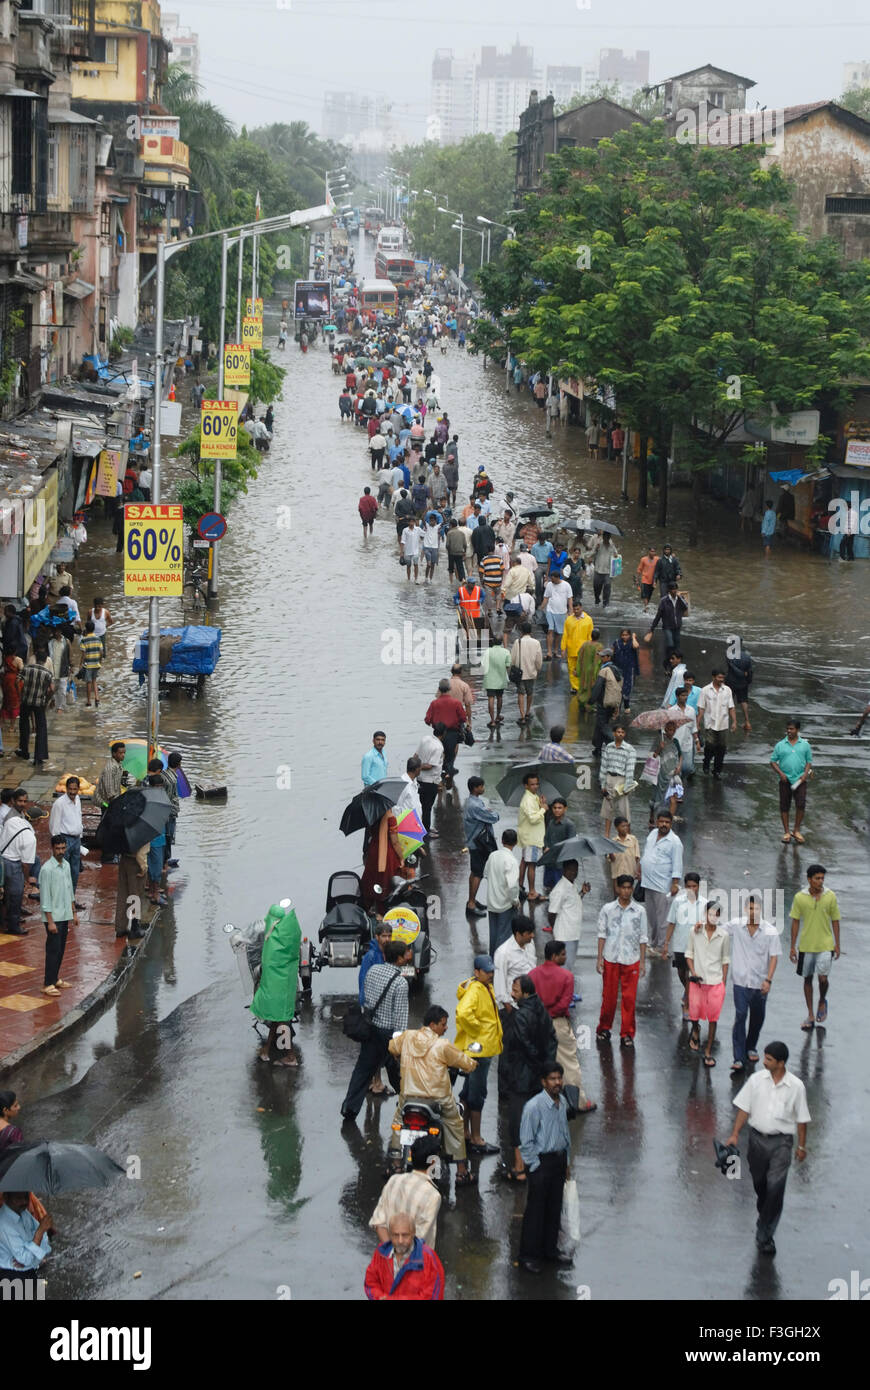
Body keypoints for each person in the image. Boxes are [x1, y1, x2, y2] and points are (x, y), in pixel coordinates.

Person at [722, 1041, 810, 1257]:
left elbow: (802, 1120)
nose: (764, 1061)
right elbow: (744, 1109)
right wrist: (734, 1134)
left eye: (769, 1059)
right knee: (761, 1183)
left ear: (781, 1063)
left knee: (775, 1186)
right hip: (756, 1141)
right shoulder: (756, 1081)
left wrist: (801, 1146)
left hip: (782, 1143)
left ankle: (766, 1235)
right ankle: (766, 1213)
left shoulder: (796, 1087)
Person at [388, 1006, 478, 1186]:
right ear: (433, 1025)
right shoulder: (442, 1045)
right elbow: (465, 1062)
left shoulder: (407, 1037)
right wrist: (472, 1064)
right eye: (443, 1024)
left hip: (409, 1097)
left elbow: (391, 1047)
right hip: (438, 1099)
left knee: (398, 1122)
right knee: (455, 1124)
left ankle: (396, 1165)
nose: (446, 1028)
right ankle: (461, 1172)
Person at [341, 939, 409, 1121]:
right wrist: (399, 1045)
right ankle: (408, 1105)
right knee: (398, 1072)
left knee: (362, 1070)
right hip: (388, 1035)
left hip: (371, 1029)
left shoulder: (373, 971)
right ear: (400, 959)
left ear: (385, 956)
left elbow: (366, 997)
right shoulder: (400, 983)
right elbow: (401, 1017)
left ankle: (349, 1108)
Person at [517, 1063, 573, 1273]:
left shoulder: (563, 1102)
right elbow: (526, 1140)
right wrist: (535, 1166)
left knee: (554, 1208)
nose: (557, 1082)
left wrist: (566, 1163)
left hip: (558, 1162)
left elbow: (565, 1133)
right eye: (552, 1078)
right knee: (536, 1211)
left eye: (559, 1078)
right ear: (543, 1082)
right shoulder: (533, 1107)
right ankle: (528, 1256)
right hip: (541, 1163)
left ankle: (550, 1251)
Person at [502, 976, 558, 1181]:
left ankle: (520, 1168)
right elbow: (552, 1040)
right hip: (537, 1077)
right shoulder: (542, 1010)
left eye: (515, 990)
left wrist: (535, 1064)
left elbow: (523, 1045)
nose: (511, 994)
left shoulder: (520, 1016)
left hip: (521, 1077)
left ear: (525, 992)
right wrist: (546, 1066)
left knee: (517, 1121)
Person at [530, 940, 596, 1110]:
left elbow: (530, 1002)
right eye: (563, 954)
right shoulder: (566, 976)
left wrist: (541, 1015)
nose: (565, 957)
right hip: (558, 1024)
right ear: (554, 956)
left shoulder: (532, 975)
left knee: (539, 1061)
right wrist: (549, 1014)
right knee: (569, 1062)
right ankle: (579, 1102)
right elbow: (564, 1004)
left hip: (536, 1025)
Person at [724, 895, 781, 1075]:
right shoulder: (736, 925)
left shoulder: (770, 931)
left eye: (756, 909)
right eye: (749, 908)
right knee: (740, 1016)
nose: (752, 912)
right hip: (740, 981)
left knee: (757, 1017)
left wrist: (769, 979)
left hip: (760, 982)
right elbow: (717, 930)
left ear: (760, 910)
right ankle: (738, 1057)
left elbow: (774, 957)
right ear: (744, 909)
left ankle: (751, 1046)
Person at [455, 954, 503, 1154]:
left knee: (468, 1092)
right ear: (477, 972)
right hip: (479, 1051)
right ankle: (476, 1138)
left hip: (481, 1048)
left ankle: (466, 1134)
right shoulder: (475, 990)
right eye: (487, 971)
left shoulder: (484, 986)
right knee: (477, 1094)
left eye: (492, 971)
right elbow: (463, 1013)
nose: (491, 974)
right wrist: (478, 1032)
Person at [596, 876, 648, 1046]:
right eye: (623, 888)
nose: (626, 891)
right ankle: (604, 1028)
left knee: (629, 998)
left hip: (631, 958)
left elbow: (643, 937)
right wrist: (599, 958)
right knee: (609, 996)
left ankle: (627, 1033)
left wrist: (642, 962)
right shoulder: (608, 909)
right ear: (617, 888)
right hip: (611, 957)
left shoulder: (639, 911)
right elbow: (602, 934)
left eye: (629, 888)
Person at [789, 863, 840, 1031]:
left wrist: (837, 944)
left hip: (825, 945)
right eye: (817, 878)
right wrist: (792, 946)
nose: (820, 881)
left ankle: (821, 1000)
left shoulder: (830, 896)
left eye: (822, 878)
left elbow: (835, 920)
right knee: (807, 979)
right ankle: (810, 1015)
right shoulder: (799, 897)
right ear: (809, 879)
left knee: (823, 978)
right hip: (806, 946)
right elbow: (795, 921)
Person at [370, 1137, 442, 1248]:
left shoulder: (394, 1180)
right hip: (416, 1262)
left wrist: (391, 1255)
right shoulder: (433, 1195)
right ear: (433, 1161)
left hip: (389, 1259)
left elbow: (379, 1223)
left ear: (410, 1154)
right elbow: (420, 1237)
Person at [685, 900, 730, 1065]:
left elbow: (725, 960)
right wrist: (693, 972)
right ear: (705, 914)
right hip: (697, 981)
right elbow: (689, 954)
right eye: (710, 913)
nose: (712, 917)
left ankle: (708, 1050)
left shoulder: (723, 935)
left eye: (716, 914)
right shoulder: (695, 931)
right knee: (694, 1013)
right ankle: (695, 1029)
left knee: (713, 1018)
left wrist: (723, 982)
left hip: (715, 982)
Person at [364, 1211, 444, 1300]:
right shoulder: (381, 1253)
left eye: (405, 1235)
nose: (400, 1240)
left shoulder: (429, 1259)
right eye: (395, 1235)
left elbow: (432, 1296)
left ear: (413, 1233)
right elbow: (370, 1283)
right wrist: (379, 1297)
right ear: (390, 1234)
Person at [662, 872, 707, 1021]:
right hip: (680, 944)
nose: (692, 889)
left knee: (690, 975)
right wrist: (666, 943)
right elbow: (672, 923)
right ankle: (687, 993)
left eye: (694, 886)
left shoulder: (705, 904)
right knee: (682, 974)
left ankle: (687, 1005)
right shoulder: (678, 902)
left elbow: (710, 926)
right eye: (689, 886)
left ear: (699, 886)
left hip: (696, 946)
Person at [39, 833, 78, 997]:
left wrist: (74, 912)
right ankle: (47, 983)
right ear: (52, 849)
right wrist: (50, 921)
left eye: (63, 848)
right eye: (58, 849)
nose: (61, 851)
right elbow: (45, 897)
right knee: (53, 950)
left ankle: (55, 979)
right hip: (53, 917)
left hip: (65, 914)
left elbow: (70, 890)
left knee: (61, 949)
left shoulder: (67, 865)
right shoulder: (47, 869)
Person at [639, 809, 683, 953]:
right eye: (662, 821)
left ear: (671, 824)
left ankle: (662, 947)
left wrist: (675, 883)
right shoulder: (652, 834)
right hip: (647, 883)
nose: (664, 824)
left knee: (663, 919)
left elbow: (677, 864)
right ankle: (653, 943)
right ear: (657, 822)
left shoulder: (675, 842)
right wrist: (640, 870)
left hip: (663, 886)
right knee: (651, 917)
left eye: (667, 822)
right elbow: (646, 853)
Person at [0, 790, 37, 937]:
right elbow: (26, 864)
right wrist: (28, 878)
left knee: (6, 896)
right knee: (15, 896)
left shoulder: (13, 819)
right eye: (20, 801)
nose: (22, 804)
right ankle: (13, 926)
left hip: (3, 860)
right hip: (13, 864)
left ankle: (6, 920)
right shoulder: (30, 838)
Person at [770, 719, 812, 844]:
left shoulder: (805, 745)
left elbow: (809, 762)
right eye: (788, 729)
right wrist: (780, 773)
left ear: (797, 730)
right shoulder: (780, 745)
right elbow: (772, 761)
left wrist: (805, 774)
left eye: (792, 729)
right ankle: (786, 832)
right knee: (784, 806)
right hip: (785, 780)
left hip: (800, 780)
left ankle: (796, 830)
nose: (789, 731)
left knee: (801, 804)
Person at [463, 776, 499, 916]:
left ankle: (472, 900)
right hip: (478, 843)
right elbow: (493, 818)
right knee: (478, 873)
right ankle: (471, 904)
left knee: (474, 872)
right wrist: (493, 813)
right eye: (481, 786)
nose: (483, 788)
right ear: (475, 788)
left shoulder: (472, 802)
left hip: (473, 841)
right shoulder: (475, 805)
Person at [545, 859, 589, 974]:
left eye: (576, 870)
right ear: (564, 870)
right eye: (571, 870)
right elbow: (551, 914)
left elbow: (572, 902)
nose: (574, 872)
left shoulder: (572, 885)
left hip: (573, 933)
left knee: (570, 965)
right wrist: (556, 931)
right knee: (564, 968)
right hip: (564, 936)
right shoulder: (559, 889)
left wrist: (582, 892)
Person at [483, 828, 521, 958]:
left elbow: (486, 874)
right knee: (503, 936)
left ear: (502, 841)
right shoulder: (512, 861)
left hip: (492, 902)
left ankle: (492, 962)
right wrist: (515, 901)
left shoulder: (493, 855)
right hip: (505, 904)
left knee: (493, 935)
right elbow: (513, 886)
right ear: (515, 843)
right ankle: (499, 965)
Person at [0, 1190, 53, 1282]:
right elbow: (26, 1259)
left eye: (26, 1197)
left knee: (36, 1294)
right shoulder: (5, 1223)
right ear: (6, 1198)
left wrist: (33, 1255)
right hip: (14, 1278)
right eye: (19, 1198)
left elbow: (45, 1243)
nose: (24, 1202)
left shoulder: (23, 1212)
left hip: (31, 1270)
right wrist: (39, 1233)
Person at [425, 679, 466, 785]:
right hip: (452, 733)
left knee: (439, 755)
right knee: (450, 754)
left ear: (439, 689)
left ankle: (441, 776)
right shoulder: (456, 703)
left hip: (438, 733)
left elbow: (427, 720)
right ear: (450, 689)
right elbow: (462, 718)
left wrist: (434, 724)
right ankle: (448, 771)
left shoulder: (434, 703)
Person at [697, 669, 737, 778]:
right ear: (713, 677)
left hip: (723, 724)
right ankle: (706, 762)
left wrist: (734, 722)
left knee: (721, 748)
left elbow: (731, 707)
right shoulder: (705, 690)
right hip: (710, 723)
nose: (721, 680)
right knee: (710, 746)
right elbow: (701, 708)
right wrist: (698, 722)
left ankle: (717, 770)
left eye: (723, 678)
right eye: (719, 678)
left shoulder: (727, 690)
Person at [16, 652, 52, 768]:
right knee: (41, 728)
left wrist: (20, 694)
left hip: (26, 701)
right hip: (39, 704)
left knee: (24, 724)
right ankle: (39, 757)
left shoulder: (27, 669)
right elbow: (52, 689)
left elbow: (17, 682)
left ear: (35, 658)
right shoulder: (47, 673)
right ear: (46, 660)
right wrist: (47, 700)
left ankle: (24, 751)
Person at [48, 776, 83, 898]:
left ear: (78, 789)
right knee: (62, 872)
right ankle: (61, 899)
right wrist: (58, 847)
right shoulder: (59, 804)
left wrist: (80, 838)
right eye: (70, 789)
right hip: (64, 840)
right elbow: (54, 826)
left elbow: (78, 818)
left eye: (75, 789)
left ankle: (71, 899)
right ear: (66, 788)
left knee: (74, 872)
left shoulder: (78, 799)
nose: (72, 792)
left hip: (76, 840)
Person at [599, 723, 636, 837]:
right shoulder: (608, 747)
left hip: (621, 780)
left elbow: (630, 769)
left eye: (622, 732)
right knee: (608, 810)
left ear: (624, 734)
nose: (620, 734)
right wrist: (603, 785)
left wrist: (627, 786)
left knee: (623, 810)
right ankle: (607, 835)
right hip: (609, 778)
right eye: (618, 732)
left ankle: (628, 837)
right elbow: (603, 766)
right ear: (614, 733)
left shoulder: (630, 750)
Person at [517, 772, 547, 902]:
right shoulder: (528, 799)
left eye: (536, 784)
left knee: (525, 861)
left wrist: (540, 804)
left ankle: (519, 887)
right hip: (532, 837)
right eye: (532, 784)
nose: (535, 786)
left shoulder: (532, 797)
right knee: (532, 864)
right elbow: (533, 818)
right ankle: (532, 892)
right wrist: (544, 809)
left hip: (528, 836)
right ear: (526, 786)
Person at [589, 648, 622, 755]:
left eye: (603, 656)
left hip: (603, 702)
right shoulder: (617, 671)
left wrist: (591, 700)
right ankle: (597, 748)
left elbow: (597, 687)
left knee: (602, 725)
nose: (601, 658)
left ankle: (615, 743)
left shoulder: (604, 670)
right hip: (612, 703)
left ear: (609, 657)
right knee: (600, 725)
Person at [541, 796, 576, 899]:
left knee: (560, 888)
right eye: (555, 808)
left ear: (565, 809)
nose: (557, 810)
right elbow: (546, 838)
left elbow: (570, 843)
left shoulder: (569, 825)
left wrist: (554, 850)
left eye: (560, 808)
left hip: (561, 863)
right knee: (549, 886)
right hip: (549, 861)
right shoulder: (551, 822)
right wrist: (546, 847)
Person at [510, 621, 542, 726]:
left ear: (521, 631)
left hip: (520, 673)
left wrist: (512, 668)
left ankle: (522, 715)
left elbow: (513, 659)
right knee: (530, 692)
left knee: (520, 693)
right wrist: (538, 669)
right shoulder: (536, 643)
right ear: (531, 631)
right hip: (531, 672)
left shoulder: (517, 642)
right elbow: (538, 660)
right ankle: (528, 711)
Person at [646, 583, 688, 658]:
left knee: (677, 644)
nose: (675, 591)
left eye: (676, 589)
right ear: (669, 590)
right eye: (673, 589)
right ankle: (669, 658)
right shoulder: (664, 601)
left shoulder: (680, 599)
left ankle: (676, 660)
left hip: (677, 626)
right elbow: (658, 616)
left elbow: (685, 607)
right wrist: (652, 628)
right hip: (667, 626)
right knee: (670, 644)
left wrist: (680, 598)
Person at [415, 724, 444, 834]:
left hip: (419, 779)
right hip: (430, 782)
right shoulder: (438, 747)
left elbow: (415, 756)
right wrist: (418, 766)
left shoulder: (425, 739)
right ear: (443, 734)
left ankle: (422, 827)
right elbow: (430, 766)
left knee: (421, 806)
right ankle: (426, 830)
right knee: (427, 807)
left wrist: (414, 767)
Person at [667, 685, 700, 779]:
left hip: (688, 743)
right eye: (682, 695)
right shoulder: (671, 711)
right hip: (674, 743)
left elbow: (693, 727)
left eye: (686, 695)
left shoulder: (691, 710)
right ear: (677, 697)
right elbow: (666, 728)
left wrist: (697, 740)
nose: (685, 697)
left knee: (688, 767)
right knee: (676, 768)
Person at [560, 601, 593, 694]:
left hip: (584, 649)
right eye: (574, 609)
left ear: (581, 608)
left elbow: (590, 635)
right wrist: (563, 648)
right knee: (572, 669)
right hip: (571, 649)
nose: (576, 611)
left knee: (583, 668)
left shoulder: (588, 620)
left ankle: (582, 686)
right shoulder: (569, 620)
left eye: (578, 609)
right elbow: (565, 635)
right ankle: (575, 687)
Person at [541, 570, 571, 660]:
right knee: (550, 630)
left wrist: (571, 611)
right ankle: (549, 652)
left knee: (559, 633)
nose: (552, 581)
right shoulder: (550, 585)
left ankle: (555, 651)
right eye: (551, 579)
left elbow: (570, 599)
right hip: (550, 610)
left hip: (562, 612)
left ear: (558, 578)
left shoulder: (566, 585)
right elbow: (546, 597)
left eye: (553, 579)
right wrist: (541, 608)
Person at [481, 637, 511, 727]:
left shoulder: (487, 651)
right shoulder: (506, 652)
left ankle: (492, 720)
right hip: (501, 679)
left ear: (493, 642)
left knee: (491, 699)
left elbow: (483, 664)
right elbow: (508, 665)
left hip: (489, 679)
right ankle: (498, 716)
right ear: (501, 642)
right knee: (499, 697)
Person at [725, 642, 754, 733]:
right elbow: (750, 671)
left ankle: (728, 721)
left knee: (728, 702)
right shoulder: (747, 656)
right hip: (743, 682)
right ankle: (747, 722)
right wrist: (748, 680)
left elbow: (731, 667)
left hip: (731, 682)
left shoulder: (729, 655)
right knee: (744, 701)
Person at [608, 816, 640, 892]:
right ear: (616, 827)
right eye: (622, 826)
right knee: (617, 893)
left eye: (626, 826)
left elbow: (637, 857)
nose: (625, 828)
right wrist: (609, 850)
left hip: (630, 874)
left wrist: (637, 871)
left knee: (627, 894)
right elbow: (612, 859)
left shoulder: (633, 839)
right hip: (617, 875)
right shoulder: (613, 842)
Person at [611, 628, 640, 712]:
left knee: (628, 687)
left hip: (629, 669)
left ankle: (626, 705)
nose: (624, 637)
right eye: (623, 635)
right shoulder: (617, 642)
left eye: (626, 635)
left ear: (629, 635)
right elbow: (612, 651)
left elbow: (636, 646)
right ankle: (618, 706)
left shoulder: (632, 642)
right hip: (618, 667)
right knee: (618, 686)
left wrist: (634, 637)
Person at [575, 630, 603, 710]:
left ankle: (581, 703)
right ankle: (589, 706)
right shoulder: (599, 646)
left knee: (582, 686)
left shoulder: (585, 644)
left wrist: (578, 669)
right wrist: (596, 673)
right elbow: (598, 660)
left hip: (584, 669)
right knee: (591, 687)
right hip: (592, 670)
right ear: (598, 637)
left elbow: (579, 655)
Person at [79, 620, 103, 708]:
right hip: (96, 663)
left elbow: (83, 654)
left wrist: (80, 664)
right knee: (94, 681)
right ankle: (97, 699)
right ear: (93, 629)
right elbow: (101, 652)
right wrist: (100, 662)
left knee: (88, 683)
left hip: (88, 664)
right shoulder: (98, 638)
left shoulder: (84, 640)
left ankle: (89, 701)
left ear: (86, 629)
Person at [592, 534, 619, 608]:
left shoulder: (612, 546)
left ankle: (605, 604)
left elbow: (616, 556)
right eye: (604, 537)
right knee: (596, 587)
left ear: (609, 538)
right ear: (603, 537)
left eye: (607, 537)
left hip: (608, 571)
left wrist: (616, 555)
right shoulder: (598, 545)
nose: (606, 539)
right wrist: (596, 549)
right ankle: (597, 599)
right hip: (598, 570)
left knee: (607, 586)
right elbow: (591, 553)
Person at [400, 516, 423, 582]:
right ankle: (408, 579)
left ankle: (416, 579)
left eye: (413, 521)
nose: (412, 523)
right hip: (407, 551)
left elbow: (424, 535)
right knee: (408, 565)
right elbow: (403, 541)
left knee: (416, 565)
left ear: (415, 522)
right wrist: (401, 552)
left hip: (415, 551)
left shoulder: (418, 529)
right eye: (410, 521)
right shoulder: (405, 530)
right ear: (408, 522)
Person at [635, 546, 658, 611]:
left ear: (655, 552)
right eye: (651, 551)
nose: (652, 553)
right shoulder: (643, 559)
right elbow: (639, 569)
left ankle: (645, 607)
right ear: (649, 551)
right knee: (644, 594)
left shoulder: (657, 559)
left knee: (649, 595)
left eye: (654, 551)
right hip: (644, 579)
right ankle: (646, 607)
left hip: (653, 580)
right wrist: (637, 579)